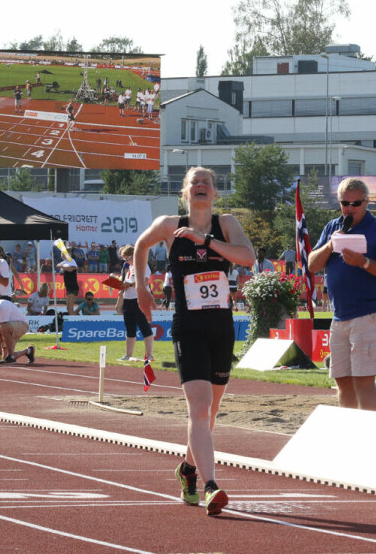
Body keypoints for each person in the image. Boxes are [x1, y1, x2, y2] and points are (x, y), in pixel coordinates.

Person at [133, 167, 256, 516]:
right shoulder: (169, 225)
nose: (201, 187)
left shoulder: (227, 224)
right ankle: (210, 485)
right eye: (194, 183)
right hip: (188, 326)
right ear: (185, 193)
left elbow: (247, 257)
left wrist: (205, 241)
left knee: (211, 413)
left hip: (221, 327)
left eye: (207, 183)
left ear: (215, 193)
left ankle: (187, 468)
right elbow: (141, 245)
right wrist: (143, 288)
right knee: (199, 409)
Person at [309, 177, 376, 411]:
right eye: (344, 203)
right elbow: (311, 265)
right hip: (340, 316)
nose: (349, 208)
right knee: (342, 380)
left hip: (370, 313)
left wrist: (365, 262)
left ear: (367, 202)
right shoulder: (332, 227)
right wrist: (330, 245)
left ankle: (368, 435)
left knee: (363, 380)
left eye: (356, 203)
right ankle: (348, 430)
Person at [116, 244, 154, 362]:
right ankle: (128, 355)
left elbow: (145, 282)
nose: (126, 261)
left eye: (127, 258)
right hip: (128, 300)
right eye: (124, 259)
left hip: (139, 300)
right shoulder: (130, 268)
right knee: (130, 328)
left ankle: (149, 355)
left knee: (144, 327)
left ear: (133, 255)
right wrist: (122, 286)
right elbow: (128, 283)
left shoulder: (142, 265)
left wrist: (130, 285)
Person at [0, 298, 35, 364]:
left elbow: (1, 332)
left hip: (21, 325)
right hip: (11, 327)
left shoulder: (0, 308)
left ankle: (10, 356)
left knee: (4, 328)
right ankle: (28, 351)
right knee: (6, 358)